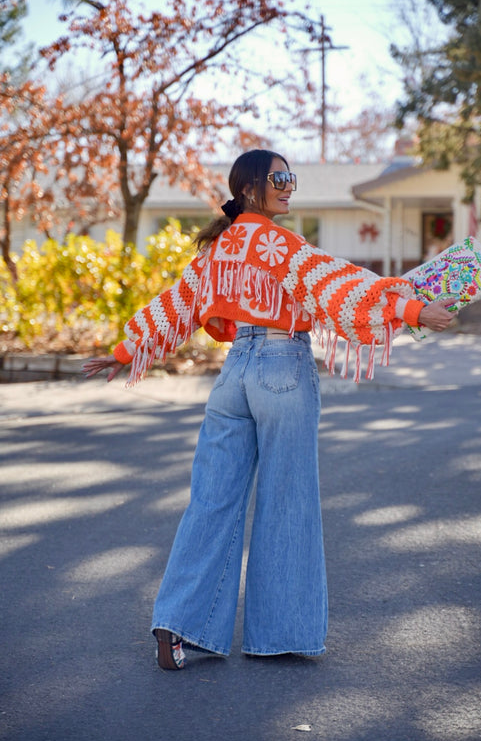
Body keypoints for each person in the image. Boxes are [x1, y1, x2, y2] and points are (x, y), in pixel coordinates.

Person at [83, 149, 456, 670]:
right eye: (279, 178)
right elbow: (336, 283)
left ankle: (178, 626)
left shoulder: (217, 249)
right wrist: (412, 307)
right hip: (283, 365)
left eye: (291, 177)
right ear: (251, 186)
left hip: (234, 374)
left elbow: (178, 304)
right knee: (288, 498)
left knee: (210, 501)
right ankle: (280, 634)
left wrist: (123, 352)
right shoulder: (279, 243)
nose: (289, 186)